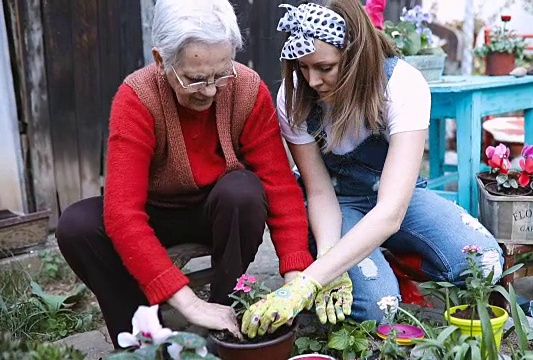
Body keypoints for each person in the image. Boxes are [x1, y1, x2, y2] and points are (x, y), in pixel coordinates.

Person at [55, 0, 316, 346]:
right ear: (161, 60)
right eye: (195, 79)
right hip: (154, 214)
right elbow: (122, 214)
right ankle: (140, 334)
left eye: (221, 73)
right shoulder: (137, 98)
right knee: (76, 225)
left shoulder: (247, 89)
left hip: (216, 211)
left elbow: (281, 189)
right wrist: (188, 301)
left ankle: (224, 318)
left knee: (244, 191)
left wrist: (295, 280)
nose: (210, 90)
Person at [241, 0, 504, 338]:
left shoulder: (401, 85)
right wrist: (326, 263)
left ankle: (389, 255)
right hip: (338, 206)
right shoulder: (295, 95)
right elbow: (319, 192)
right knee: (381, 308)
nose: (312, 80)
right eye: (303, 68)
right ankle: (366, 262)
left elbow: (392, 211)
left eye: (325, 67)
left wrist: (307, 282)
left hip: (396, 201)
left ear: (354, 56)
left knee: (484, 263)